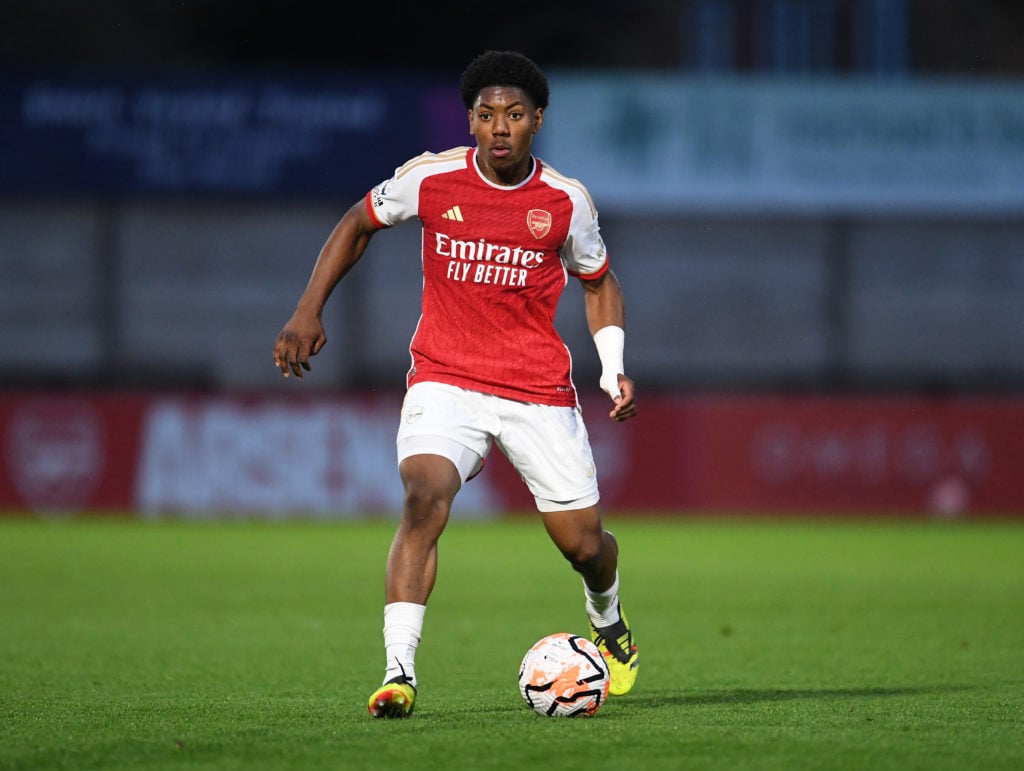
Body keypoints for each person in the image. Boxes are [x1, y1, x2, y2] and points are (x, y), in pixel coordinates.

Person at [273, 50, 638, 718]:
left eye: (515, 114)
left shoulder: (564, 201)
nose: (500, 127)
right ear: (471, 120)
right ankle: (398, 673)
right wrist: (308, 308)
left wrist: (612, 366)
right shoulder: (432, 179)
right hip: (447, 376)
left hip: (536, 389)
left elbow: (598, 280)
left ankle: (608, 617)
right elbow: (359, 221)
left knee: (585, 545)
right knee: (423, 497)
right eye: (487, 114)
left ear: (537, 121)